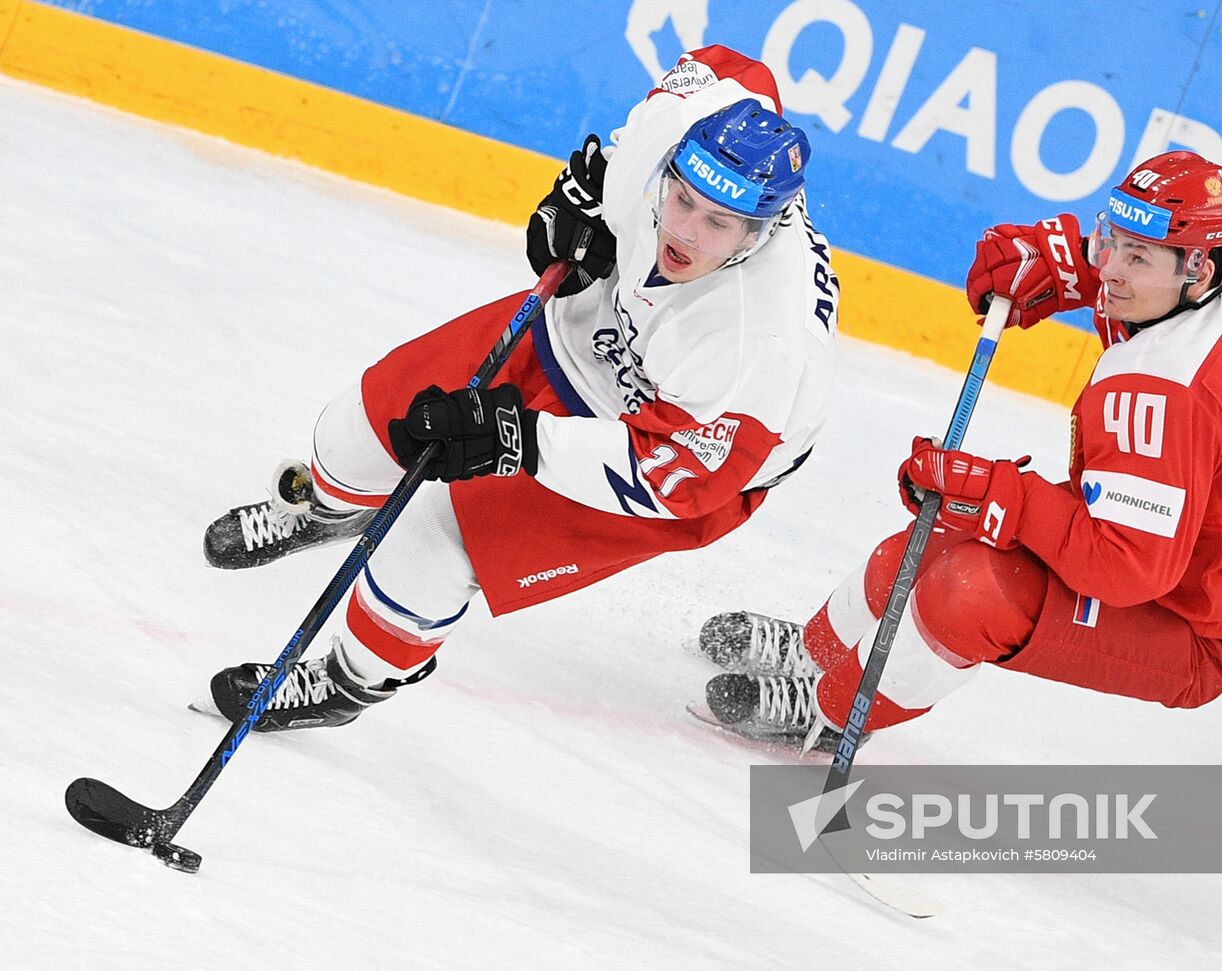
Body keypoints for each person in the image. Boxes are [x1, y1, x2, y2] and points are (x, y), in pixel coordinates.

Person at [198, 45, 839, 731]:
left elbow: (673, 479)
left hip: (680, 446)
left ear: (759, 230)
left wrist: (521, 440)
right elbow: (727, 67)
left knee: (435, 536)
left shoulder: (758, 339)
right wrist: (582, 190)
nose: (681, 230)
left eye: (716, 223)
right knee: (367, 420)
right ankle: (324, 508)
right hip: (590, 323)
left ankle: (350, 679)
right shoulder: (686, 120)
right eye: (680, 198)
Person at [692, 151, 1222, 751]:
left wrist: (1001, 496)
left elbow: (1125, 567)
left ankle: (826, 708)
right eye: (1110, 240)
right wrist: (1054, 258)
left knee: (970, 591)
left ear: (1198, 268)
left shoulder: (1166, 387)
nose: (1110, 270)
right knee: (924, 544)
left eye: (1136, 258)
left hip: (1194, 624)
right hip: (1198, 544)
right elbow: (1123, 262)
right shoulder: (1209, 286)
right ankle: (814, 652)